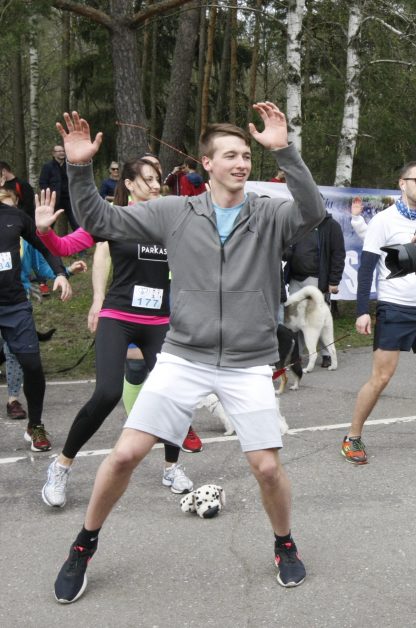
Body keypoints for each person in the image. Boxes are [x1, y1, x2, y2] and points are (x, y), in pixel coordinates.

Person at [51, 102, 325, 603]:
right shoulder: (175, 212)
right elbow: (98, 218)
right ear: (207, 164)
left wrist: (283, 150)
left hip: (247, 362)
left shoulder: (268, 213)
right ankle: (82, 546)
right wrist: (78, 166)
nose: (241, 163)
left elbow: (313, 211)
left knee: (266, 467)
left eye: (246, 155)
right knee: (125, 455)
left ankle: (284, 543)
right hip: (184, 355)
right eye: (230, 155)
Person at [37, 159, 201, 509]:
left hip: (159, 321)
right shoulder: (114, 219)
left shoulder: (172, 220)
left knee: (174, 394)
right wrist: (44, 232)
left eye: (158, 179)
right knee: (108, 392)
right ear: (128, 183)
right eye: (147, 180)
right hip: (119, 315)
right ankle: (62, 464)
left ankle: (172, 467)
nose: (156, 185)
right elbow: (65, 247)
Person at [342, 161, 416, 465]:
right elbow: (366, 268)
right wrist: (362, 310)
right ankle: (352, 437)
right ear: (401, 184)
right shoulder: (383, 220)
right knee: (381, 377)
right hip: (394, 307)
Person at [0, 185, 72, 451]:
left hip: (14, 305)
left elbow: (44, 245)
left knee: (32, 366)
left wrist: (60, 273)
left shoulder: (14, 216)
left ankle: (36, 425)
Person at [283, 212, 345, 368]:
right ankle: (297, 356)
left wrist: (333, 281)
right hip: (295, 279)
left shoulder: (331, 226)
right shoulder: (298, 223)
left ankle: (327, 355)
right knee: (296, 320)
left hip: (318, 279)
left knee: (320, 320)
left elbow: (338, 254)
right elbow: (288, 250)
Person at [39, 144, 78, 230]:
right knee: (49, 224)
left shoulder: (70, 166)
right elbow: (42, 183)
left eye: (63, 151)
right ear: (53, 154)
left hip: (69, 198)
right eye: (59, 151)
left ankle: (81, 241)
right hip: (54, 199)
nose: (62, 153)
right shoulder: (48, 166)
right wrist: (49, 195)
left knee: (75, 222)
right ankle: (44, 242)